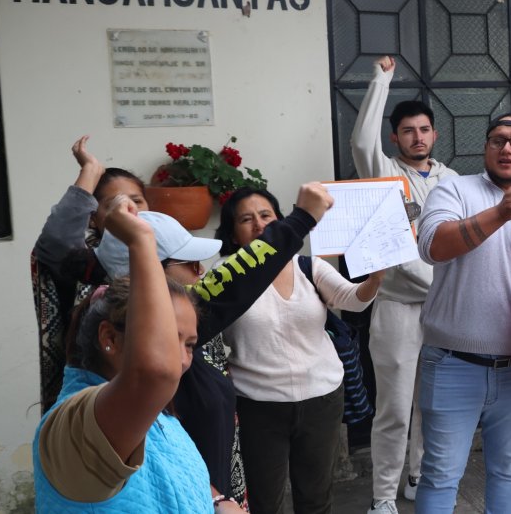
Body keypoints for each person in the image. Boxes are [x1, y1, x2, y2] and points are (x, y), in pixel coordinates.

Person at [91, 184, 334, 504]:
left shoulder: (158, 326)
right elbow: (235, 281)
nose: (203, 273)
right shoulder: (146, 338)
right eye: (189, 264)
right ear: (147, 274)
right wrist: (301, 219)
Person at [33, 195, 236, 512]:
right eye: (168, 339)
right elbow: (155, 373)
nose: (180, 360)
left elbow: (175, 473)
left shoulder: (156, 414)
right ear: (110, 338)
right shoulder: (76, 423)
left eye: (189, 344)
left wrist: (217, 500)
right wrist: (141, 240)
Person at [414, 112, 511, 513]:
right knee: (441, 474)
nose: (507, 148)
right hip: (451, 364)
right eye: (497, 139)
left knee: (507, 471)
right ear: (485, 148)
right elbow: (433, 247)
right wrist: (501, 212)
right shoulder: (453, 190)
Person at [218, 187, 382, 514]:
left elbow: (352, 298)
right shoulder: (224, 277)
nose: (258, 225)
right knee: (266, 501)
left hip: (321, 398)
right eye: (246, 219)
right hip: (258, 404)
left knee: (316, 497)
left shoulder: (309, 267)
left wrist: (375, 275)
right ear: (233, 233)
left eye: (266, 215)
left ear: (281, 221)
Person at [352, 55, 458, 514]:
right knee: (394, 409)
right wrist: (382, 79)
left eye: (424, 129)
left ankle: (418, 475)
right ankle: (382, 498)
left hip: (444, 308)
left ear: (435, 134)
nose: (417, 137)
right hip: (397, 306)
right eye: (408, 130)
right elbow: (361, 139)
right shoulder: (382, 171)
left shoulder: (452, 179)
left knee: (431, 406)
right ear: (396, 137)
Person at [31, 136, 148, 413]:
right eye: (113, 204)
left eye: (137, 200)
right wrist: (90, 171)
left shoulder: (172, 256)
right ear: (93, 219)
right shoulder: (90, 266)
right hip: (100, 406)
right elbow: (55, 242)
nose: (128, 209)